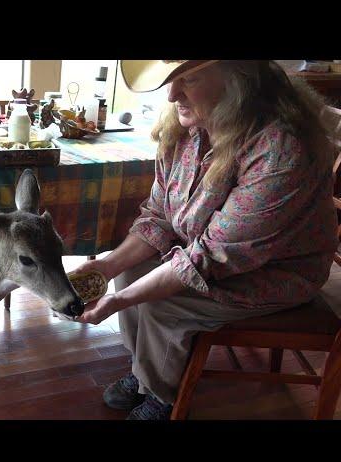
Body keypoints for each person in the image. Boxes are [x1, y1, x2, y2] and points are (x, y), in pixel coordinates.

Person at [70, 60, 339, 420]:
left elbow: (210, 257)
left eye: (189, 79)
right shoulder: (185, 129)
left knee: (162, 306)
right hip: (207, 250)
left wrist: (116, 302)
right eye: (170, 80)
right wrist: (106, 266)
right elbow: (160, 215)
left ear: (238, 81)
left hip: (277, 272)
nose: (171, 93)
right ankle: (145, 372)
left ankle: (162, 394)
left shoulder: (280, 149)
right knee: (129, 272)